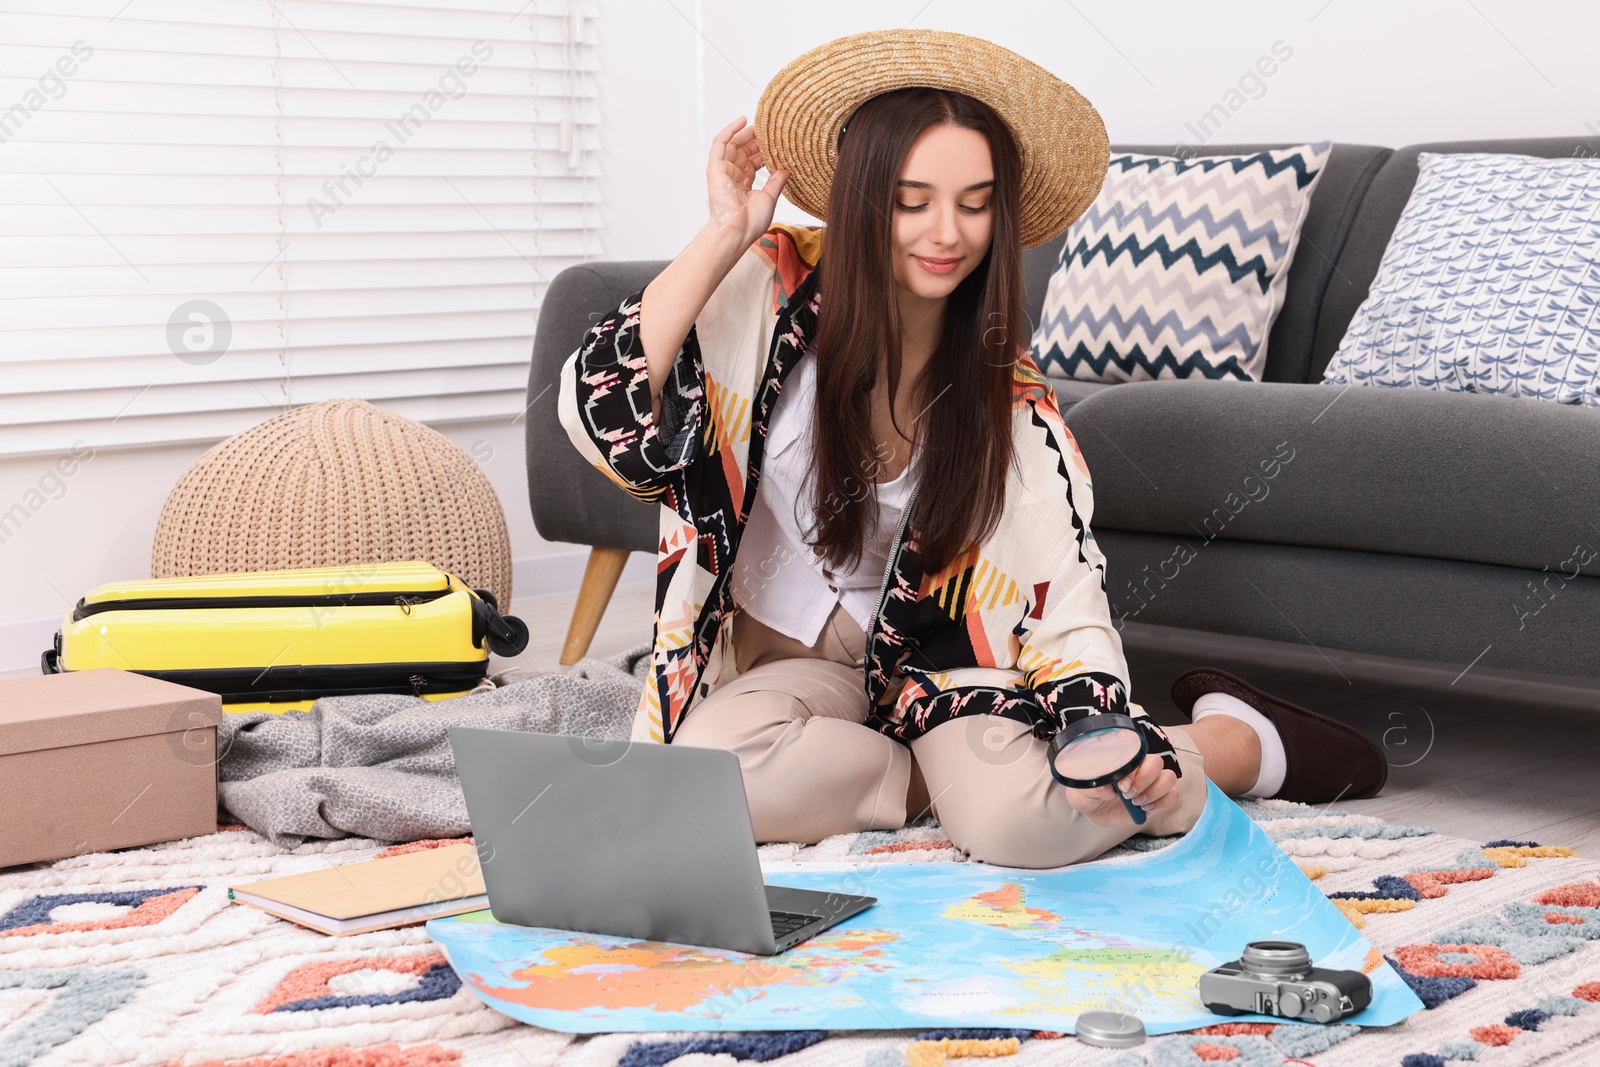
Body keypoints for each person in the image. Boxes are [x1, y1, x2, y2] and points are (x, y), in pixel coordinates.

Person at [558, 28, 1386, 869]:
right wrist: (725, 232)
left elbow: (1064, 586)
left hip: (946, 673)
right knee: (704, 775)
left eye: (975, 201)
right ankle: (944, 785)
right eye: (912, 200)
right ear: (863, 197)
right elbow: (596, 415)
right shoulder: (759, 305)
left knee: (1020, 830)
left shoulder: (1010, 402)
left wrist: (1092, 718)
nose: (945, 231)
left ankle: (1235, 742)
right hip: (792, 666)